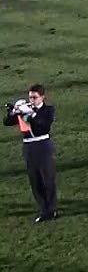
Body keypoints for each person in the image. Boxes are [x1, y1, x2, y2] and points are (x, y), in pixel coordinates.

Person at [4, 85, 57, 222]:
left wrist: (31, 114)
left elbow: (43, 126)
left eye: (35, 97)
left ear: (42, 97)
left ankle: (51, 209)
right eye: (30, 97)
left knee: (47, 178)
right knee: (35, 179)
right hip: (28, 146)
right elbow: (7, 122)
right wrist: (13, 112)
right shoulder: (25, 109)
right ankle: (43, 209)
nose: (32, 100)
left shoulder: (47, 110)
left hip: (42, 145)